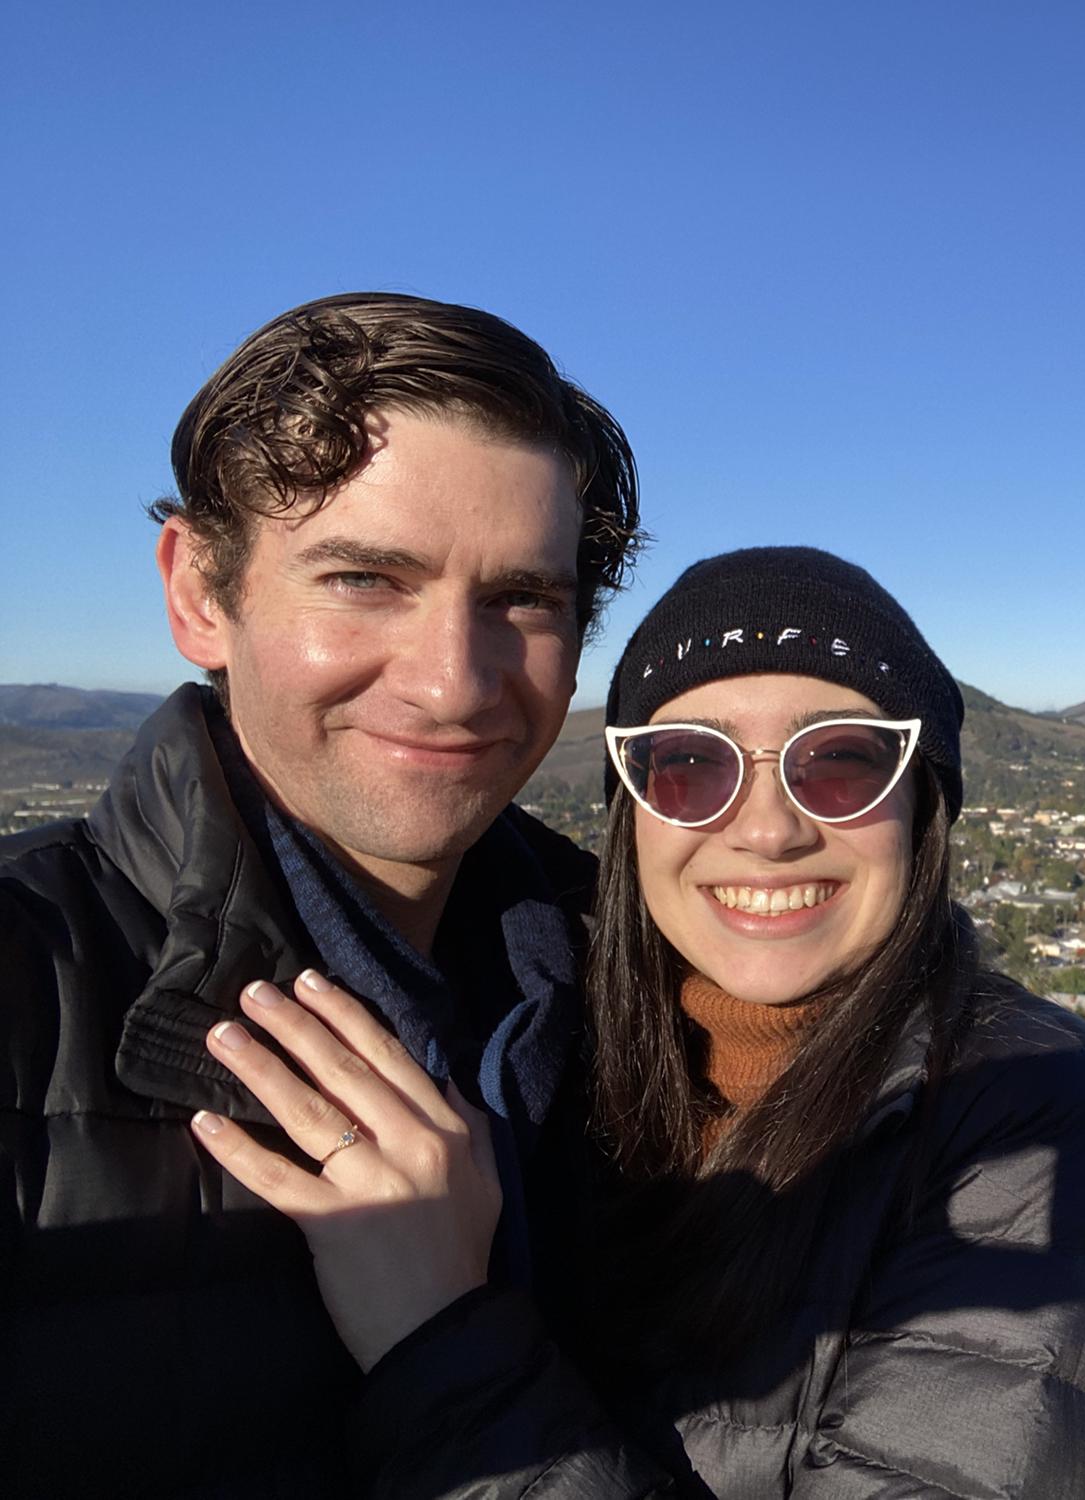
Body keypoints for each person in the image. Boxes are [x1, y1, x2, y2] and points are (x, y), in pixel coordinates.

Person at [194, 547, 1085, 1498]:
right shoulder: (557, 1051)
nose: (766, 829)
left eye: (840, 762)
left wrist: (440, 1331)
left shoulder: (1030, 1122)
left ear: (920, 803)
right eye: (688, 765)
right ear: (630, 812)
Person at [0, 292, 642, 1496]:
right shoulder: (26, 994)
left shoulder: (645, 1005)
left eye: (522, 599)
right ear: (200, 593)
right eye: (362, 579)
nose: (455, 684)